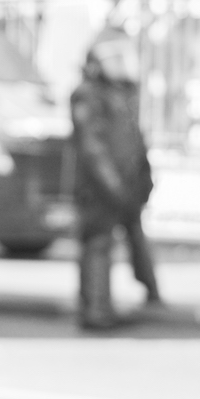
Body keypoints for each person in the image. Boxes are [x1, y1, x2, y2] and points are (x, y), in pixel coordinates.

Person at [70, 25, 160, 330]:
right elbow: (92, 147)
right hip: (99, 188)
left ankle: (140, 294)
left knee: (126, 241)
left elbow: (134, 139)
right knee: (98, 245)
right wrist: (113, 184)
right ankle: (95, 310)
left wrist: (143, 176)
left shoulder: (121, 93)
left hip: (124, 182)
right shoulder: (88, 94)